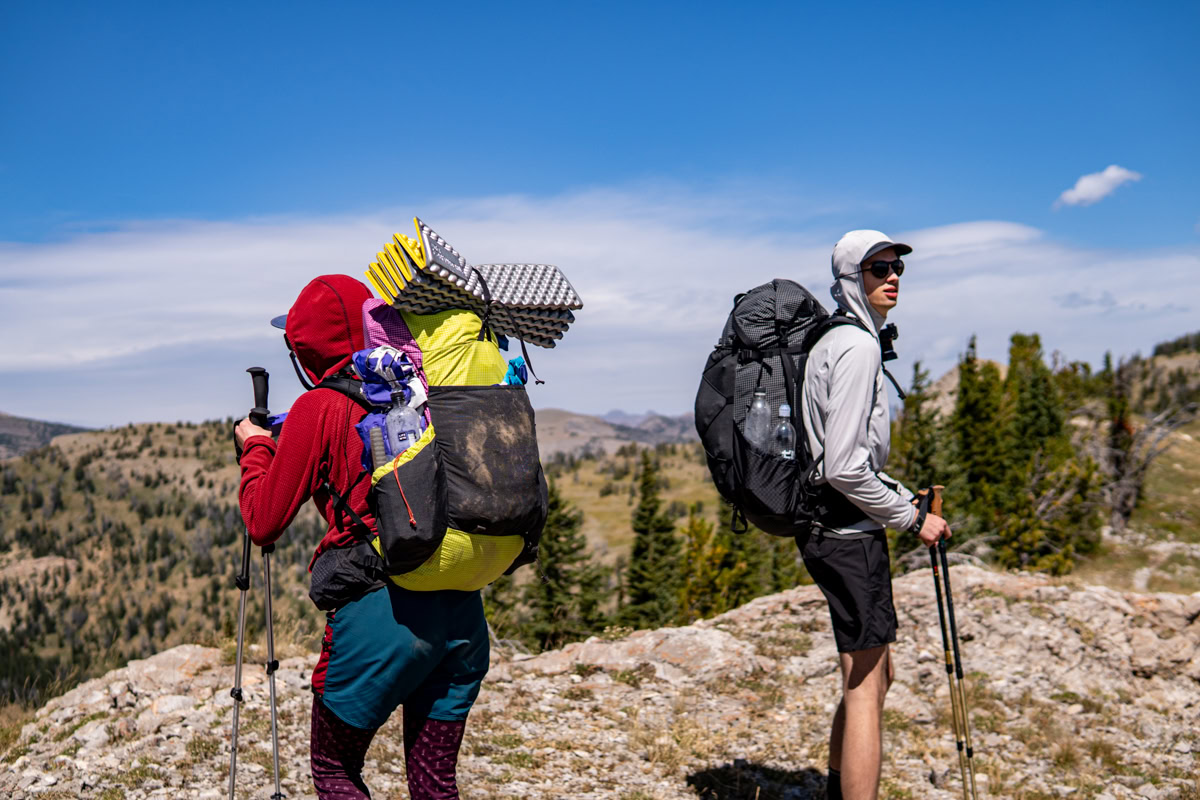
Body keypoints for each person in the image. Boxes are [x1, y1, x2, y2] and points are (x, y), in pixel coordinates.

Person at [234, 274, 487, 800]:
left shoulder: (320, 406)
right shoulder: (424, 386)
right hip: (462, 606)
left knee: (335, 770)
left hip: (384, 616)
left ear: (304, 349)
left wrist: (257, 450)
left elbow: (263, 521)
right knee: (435, 782)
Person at [798, 231, 952, 800]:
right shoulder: (858, 347)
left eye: (896, 268)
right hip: (848, 532)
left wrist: (899, 495)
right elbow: (842, 465)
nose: (891, 276)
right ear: (849, 277)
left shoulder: (837, 337)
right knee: (866, 685)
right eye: (876, 268)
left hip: (832, 525)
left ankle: (838, 787)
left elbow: (845, 456)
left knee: (873, 673)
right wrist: (911, 519)